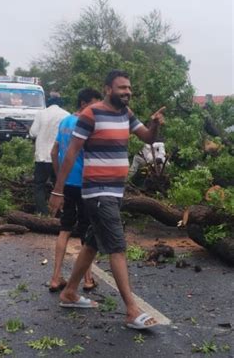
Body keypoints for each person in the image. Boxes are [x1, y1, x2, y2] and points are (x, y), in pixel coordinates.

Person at [49, 70, 165, 330]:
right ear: (108, 89)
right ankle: (132, 310)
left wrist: (155, 123)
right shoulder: (91, 114)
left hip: (115, 191)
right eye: (122, 87)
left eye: (129, 88)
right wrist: (58, 190)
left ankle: (69, 293)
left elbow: (148, 137)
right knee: (117, 246)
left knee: (92, 243)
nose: (127, 92)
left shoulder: (126, 114)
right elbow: (69, 154)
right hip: (98, 192)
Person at [48, 88, 102, 293]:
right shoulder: (86, 123)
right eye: (94, 105)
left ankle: (55, 277)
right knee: (86, 230)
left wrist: (59, 179)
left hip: (67, 184)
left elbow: (54, 152)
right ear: (83, 104)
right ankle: (87, 279)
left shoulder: (64, 122)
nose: (96, 109)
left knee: (65, 228)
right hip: (85, 183)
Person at [29, 94, 69, 215]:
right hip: (58, 157)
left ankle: (43, 213)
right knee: (59, 185)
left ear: (48, 103)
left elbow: (33, 133)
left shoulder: (41, 113)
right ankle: (60, 213)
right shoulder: (66, 115)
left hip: (42, 156)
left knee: (39, 185)